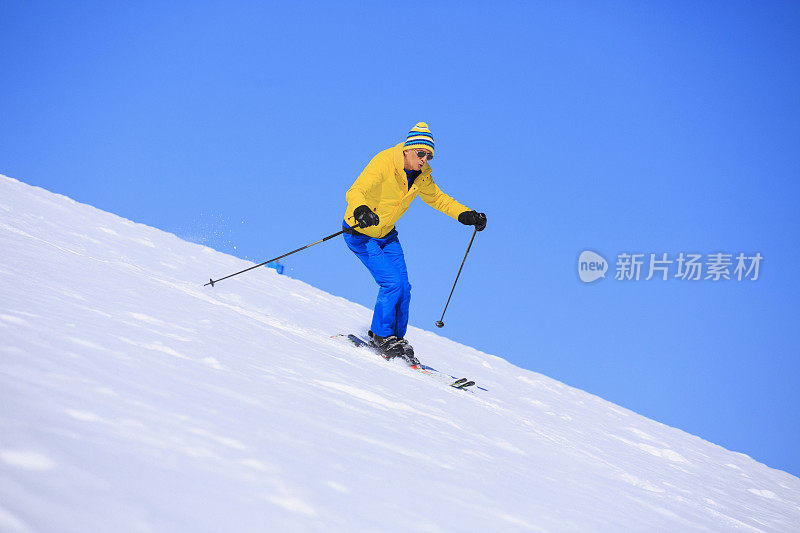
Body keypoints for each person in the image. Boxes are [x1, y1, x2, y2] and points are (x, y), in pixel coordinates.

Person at [342, 122, 487, 365]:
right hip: (361, 232)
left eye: (429, 155)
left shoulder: (421, 176)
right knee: (392, 282)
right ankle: (381, 336)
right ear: (408, 150)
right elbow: (357, 190)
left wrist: (466, 214)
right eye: (421, 153)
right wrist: (361, 210)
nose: (424, 159)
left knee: (405, 287)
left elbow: (439, 199)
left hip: (387, 235)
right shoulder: (385, 162)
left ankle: (395, 339)